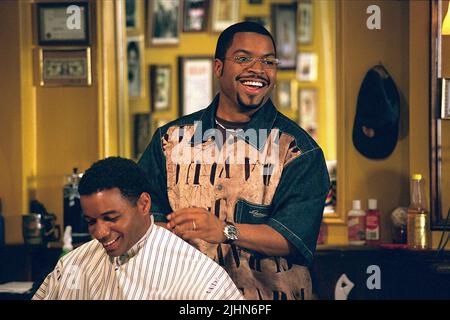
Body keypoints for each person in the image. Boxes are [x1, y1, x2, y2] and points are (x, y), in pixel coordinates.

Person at [138, 21, 330, 300]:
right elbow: (143, 212)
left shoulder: (298, 151)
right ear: (218, 68)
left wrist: (224, 230)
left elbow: (292, 238)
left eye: (268, 61)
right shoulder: (170, 140)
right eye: (243, 59)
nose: (258, 69)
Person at [32, 157, 243, 300]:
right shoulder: (72, 266)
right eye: (91, 221)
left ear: (144, 204)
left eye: (111, 218)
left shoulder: (200, 279)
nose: (100, 233)